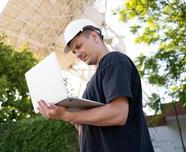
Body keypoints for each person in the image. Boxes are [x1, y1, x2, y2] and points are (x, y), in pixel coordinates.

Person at [38, 19, 154, 152]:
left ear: (94, 36)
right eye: (74, 52)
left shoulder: (113, 61)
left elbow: (118, 113)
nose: (77, 55)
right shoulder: (90, 84)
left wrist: (67, 115)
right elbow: (87, 125)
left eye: (79, 46)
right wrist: (66, 113)